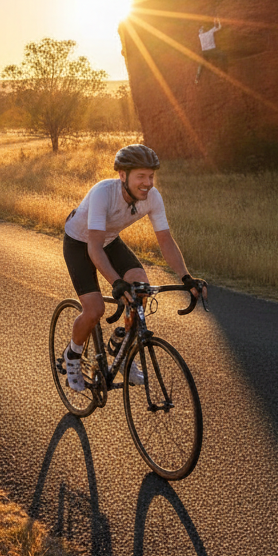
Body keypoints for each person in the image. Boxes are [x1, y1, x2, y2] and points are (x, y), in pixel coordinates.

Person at [60, 143, 204, 392]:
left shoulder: (153, 197)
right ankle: (72, 356)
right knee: (94, 309)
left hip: (109, 240)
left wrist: (186, 277)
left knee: (140, 285)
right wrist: (116, 281)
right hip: (79, 242)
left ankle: (121, 344)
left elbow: (165, 241)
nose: (147, 183)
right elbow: (93, 247)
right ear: (123, 176)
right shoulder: (103, 193)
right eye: (141, 176)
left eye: (151, 176)